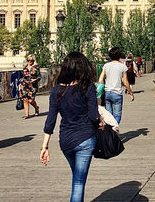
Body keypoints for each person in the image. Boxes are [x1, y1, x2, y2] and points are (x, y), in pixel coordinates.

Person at [40, 52, 102, 202]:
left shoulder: (56, 91)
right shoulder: (88, 88)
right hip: (85, 139)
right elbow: (94, 117)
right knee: (79, 182)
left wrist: (44, 147)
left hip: (66, 142)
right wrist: (101, 121)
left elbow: (50, 121)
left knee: (76, 177)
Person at [98, 47, 134, 124]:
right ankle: (114, 129)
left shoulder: (106, 66)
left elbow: (100, 80)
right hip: (117, 93)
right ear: (119, 56)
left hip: (107, 92)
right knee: (117, 115)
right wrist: (131, 93)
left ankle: (110, 131)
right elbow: (125, 82)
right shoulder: (122, 67)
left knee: (108, 115)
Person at [19, 55, 41, 119]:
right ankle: (27, 114)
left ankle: (36, 107)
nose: (30, 62)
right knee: (25, 99)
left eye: (31, 60)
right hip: (24, 85)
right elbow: (22, 76)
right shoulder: (24, 67)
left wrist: (35, 79)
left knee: (31, 100)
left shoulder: (36, 67)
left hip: (33, 86)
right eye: (28, 60)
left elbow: (39, 77)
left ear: (34, 61)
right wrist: (20, 84)